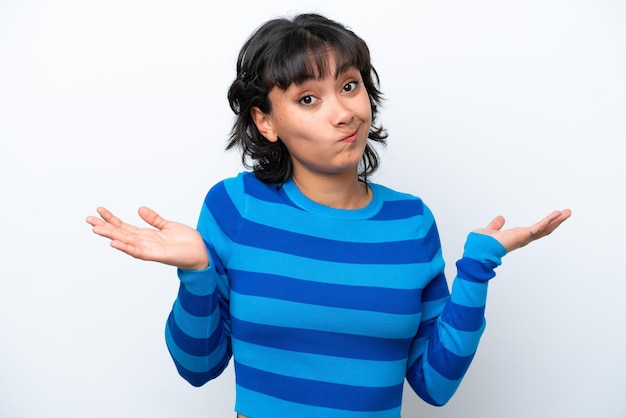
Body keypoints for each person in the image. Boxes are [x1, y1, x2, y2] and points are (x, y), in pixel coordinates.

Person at [86, 13, 571, 418]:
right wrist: (195, 274)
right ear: (266, 121)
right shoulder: (237, 208)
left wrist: (478, 268)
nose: (343, 113)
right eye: (308, 99)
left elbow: (434, 386)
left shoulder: (411, 222)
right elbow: (199, 367)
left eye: (349, 85)